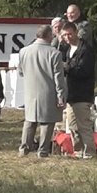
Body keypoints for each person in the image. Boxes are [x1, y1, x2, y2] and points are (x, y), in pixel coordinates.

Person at [18, 24, 66, 158]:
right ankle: (43, 151)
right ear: (49, 36)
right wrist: (61, 95)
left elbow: (20, 72)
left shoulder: (24, 51)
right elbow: (58, 77)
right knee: (47, 122)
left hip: (30, 92)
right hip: (48, 92)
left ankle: (24, 149)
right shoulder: (54, 53)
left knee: (29, 121)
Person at [59, 21, 96, 158]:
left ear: (75, 32)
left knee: (84, 126)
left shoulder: (86, 49)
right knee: (73, 126)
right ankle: (78, 151)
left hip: (83, 93)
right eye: (64, 35)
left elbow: (84, 71)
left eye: (69, 34)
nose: (67, 37)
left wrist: (66, 67)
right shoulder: (66, 49)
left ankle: (90, 153)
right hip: (71, 94)